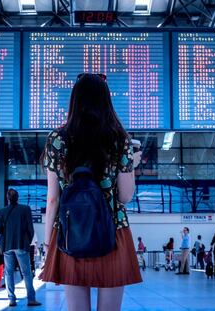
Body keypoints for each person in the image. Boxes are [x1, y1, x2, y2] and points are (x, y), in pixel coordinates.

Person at [39, 73, 142, 311]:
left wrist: (48, 244)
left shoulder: (57, 139)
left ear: (75, 100)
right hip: (113, 232)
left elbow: (53, 199)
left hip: (70, 232)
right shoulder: (119, 139)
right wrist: (130, 166)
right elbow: (125, 197)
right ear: (106, 101)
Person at [0, 189, 41, 307]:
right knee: (26, 273)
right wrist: (27, 243)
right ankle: (31, 299)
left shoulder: (2, 212)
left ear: (7, 198)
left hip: (7, 246)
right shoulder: (25, 209)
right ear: (18, 197)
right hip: (21, 245)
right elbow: (30, 229)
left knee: (9, 273)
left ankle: (11, 299)